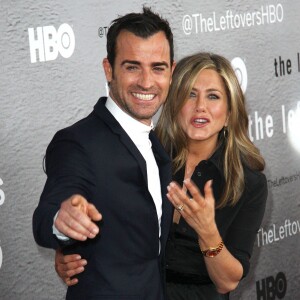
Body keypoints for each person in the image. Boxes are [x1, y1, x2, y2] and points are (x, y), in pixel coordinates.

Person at [55, 52, 268, 300]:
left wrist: (207, 231)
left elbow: (226, 282)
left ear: (230, 113)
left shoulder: (248, 182)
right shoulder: (141, 156)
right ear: (174, 102)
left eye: (213, 96)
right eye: (190, 94)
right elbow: (102, 228)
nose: (200, 106)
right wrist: (68, 253)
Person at [32, 7, 176, 300]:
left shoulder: (156, 141)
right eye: (132, 66)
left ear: (171, 72)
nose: (147, 82)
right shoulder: (78, 142)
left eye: (157, 68)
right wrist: (62, 220)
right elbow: (48, 212)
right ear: (109, 69)